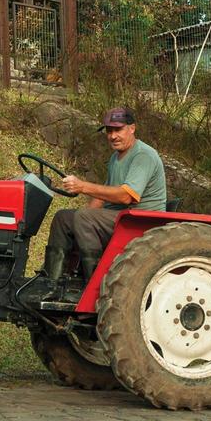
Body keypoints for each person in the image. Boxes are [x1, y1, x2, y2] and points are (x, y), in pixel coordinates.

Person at [39, 106, 167, 294]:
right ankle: (52, 282)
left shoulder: (143, 155)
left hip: (141, 221)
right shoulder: (116, 157)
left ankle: (93, 288)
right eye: (109, 131)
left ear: (132, 128)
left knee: (84, 218)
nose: (113, 136)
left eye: (118, 130)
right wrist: (84, 214)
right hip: (121, 217)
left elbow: (126, 195)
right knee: (63, 218)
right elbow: (102, 196)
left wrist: (82, 187)